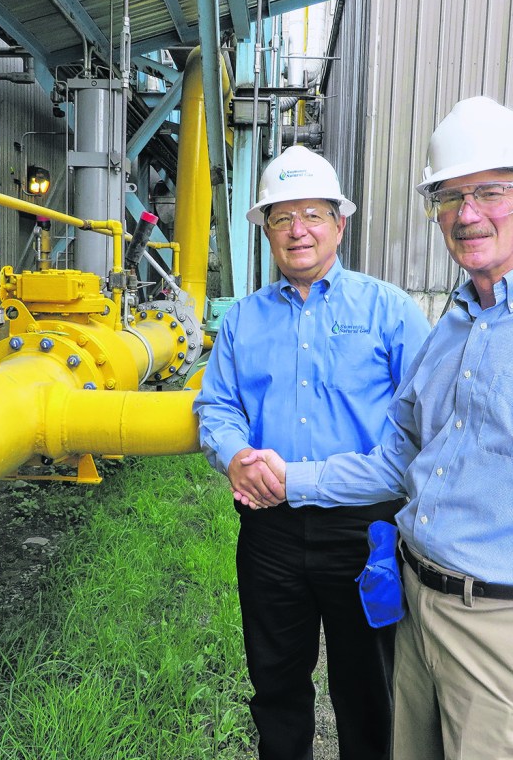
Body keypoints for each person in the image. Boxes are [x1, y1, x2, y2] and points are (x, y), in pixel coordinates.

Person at [240, 97, 513, 760]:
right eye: (449, 197)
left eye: (491, 192)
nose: (468, 214)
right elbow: (397, 461)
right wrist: (286, 479)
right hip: (419, 617)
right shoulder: (450, 329)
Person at [193, 145, 431, 760]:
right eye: (281, 217)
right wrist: (235, 455)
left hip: (366, 533)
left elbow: (423, 429)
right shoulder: (243, 321)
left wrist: (294, 478)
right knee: (275, 683)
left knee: (369, 689)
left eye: (312, 215)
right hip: (268, 532)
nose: (297, 229)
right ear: (266, 230)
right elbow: (216, 407)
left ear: (339, 224)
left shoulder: (390, 312)